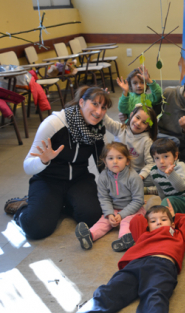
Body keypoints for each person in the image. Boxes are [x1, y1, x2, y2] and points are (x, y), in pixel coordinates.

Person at [4, 86, 111, 240]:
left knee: (93, 217)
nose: (99, 112)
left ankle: (57, 204)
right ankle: (24, 207)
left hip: (79, 179)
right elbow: (27, 165)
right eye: (95, 104)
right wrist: (43, 160)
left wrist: (117, 185)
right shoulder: (54, 123)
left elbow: (103, 164)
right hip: (48, 180)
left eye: (104, 107)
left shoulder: (98, 129)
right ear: (81, 102)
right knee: (36, 228)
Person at [73, 201, 185, 313]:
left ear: (173, 223)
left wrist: (174, 216)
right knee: (112, 290)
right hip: (135, 265)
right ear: (147, 225)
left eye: (164, 219)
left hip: (162, 266)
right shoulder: (143, 235)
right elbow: (136, 220)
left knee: (155, 296)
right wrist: (148, 217)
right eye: (153, 221)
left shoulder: (178, 234)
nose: (159, 222)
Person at [75, 142, 145, 252]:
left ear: (127, 161)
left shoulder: (134, 177)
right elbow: (103, 197)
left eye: (119, 158)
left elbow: (138, 200)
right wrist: (109, 213)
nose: (115, 161)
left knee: (126, 222)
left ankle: (124, 239)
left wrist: (122, 215)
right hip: (114, 209)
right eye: (110, 158)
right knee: (103, 221)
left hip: (133, 210)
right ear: (105, 162)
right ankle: (89, 236)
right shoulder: (103, 176)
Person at [103, 104, 158, 193]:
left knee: (157, 175)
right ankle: (128, 187)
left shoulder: (147, 141)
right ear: (131, 115)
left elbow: (150, 163)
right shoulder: (120, 129)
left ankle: (132, 188)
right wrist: (102, 106)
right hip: (117, 170)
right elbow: (106, 121)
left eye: (144, 122)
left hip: (135, 174)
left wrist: (141, 176)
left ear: (148, 126)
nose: (138, 123)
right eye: (137, 117)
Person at [149, 138, 185, 219]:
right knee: (158, 207)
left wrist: (171, 174)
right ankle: (170, 221)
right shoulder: (154, 171)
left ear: (175, 156)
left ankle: (165, 225)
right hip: (173, 204)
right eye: (157, 158)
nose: (161, 161)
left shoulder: (180, 166)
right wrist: (164, 203)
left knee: (168, 202)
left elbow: (181, 187)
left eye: (166, 156)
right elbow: (161, 191)